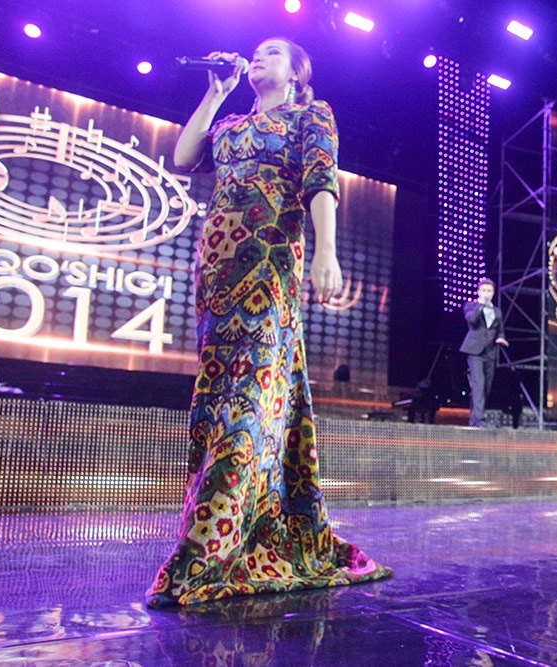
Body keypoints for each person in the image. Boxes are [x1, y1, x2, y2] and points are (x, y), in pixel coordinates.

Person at [146, 37, 391, 607]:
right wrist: (215, 94)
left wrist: (327, 251)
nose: (259, 57)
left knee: (251, 394)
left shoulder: (311, 116)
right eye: (256, 51)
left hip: (269, 265)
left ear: (297, 74)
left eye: (273, 52)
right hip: (218, 271)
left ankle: (217, 532)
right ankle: (236, 518)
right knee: (221, 394)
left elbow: (321, 182)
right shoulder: (230, 125)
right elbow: (183, 157)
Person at [459, 278, 508, 427]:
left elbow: (500, 330)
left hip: (490, 352)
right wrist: (481, 306)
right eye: (484, 290)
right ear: (479, 292)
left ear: (493, 293)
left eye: (489, 291)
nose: (487, 293)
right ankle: (478, 419)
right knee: (478, 383)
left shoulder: (497, 311)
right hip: (474, 351)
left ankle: (474, 417)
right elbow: (472, 320)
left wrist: (500, 338)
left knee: (486, 386)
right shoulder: (471, 306)